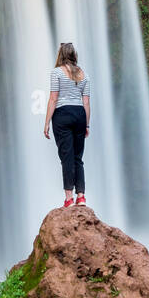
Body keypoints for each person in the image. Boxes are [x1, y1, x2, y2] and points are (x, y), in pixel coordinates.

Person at [43, 42, 91, 209]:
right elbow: (86, 102)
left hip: (62, 115)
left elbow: (53, 98)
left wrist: (47, 121)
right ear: (74, 55)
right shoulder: (84, 75)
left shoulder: (56, 73)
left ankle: (69, 198)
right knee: (78, 157)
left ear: (61, 54)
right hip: (79, 115)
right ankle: (81, 196)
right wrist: (87, 125)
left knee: (66, 157)